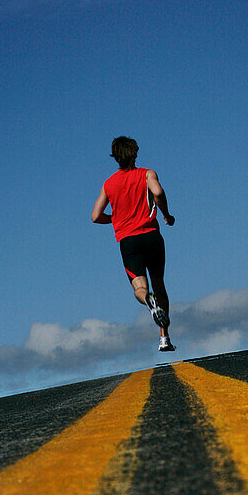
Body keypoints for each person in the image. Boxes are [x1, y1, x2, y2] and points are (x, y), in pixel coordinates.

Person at [92, 136, 176, 352]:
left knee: (140, 288)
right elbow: (157, 192)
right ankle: (164, 338)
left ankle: (148, 301)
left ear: (115, 157)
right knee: (159, 284)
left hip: (128, 241)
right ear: (135, 153)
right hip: (151, 236)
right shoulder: (147, 174)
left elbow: (95, 216)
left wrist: (115, 218)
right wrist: (166, 214)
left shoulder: (109, 184)